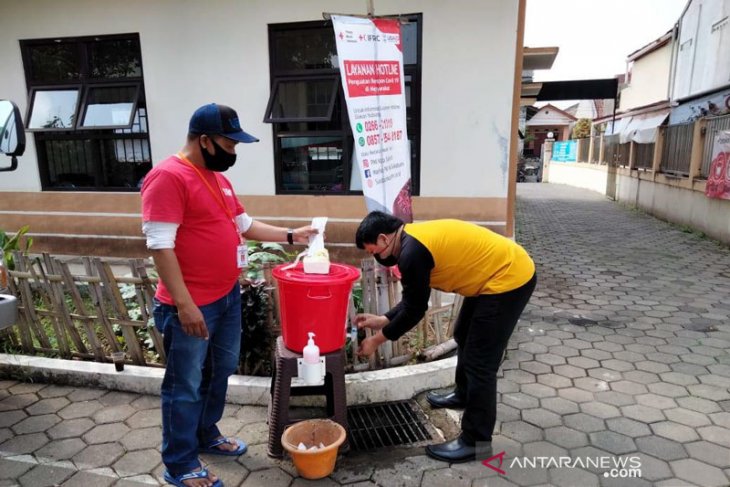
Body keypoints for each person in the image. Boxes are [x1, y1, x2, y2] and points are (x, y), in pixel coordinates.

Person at [141, 103, 317, 487]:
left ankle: (206, 434)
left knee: (218, 372)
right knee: (184, 384)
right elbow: (160, 245)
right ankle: (180, 463)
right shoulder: (167, 177)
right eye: (229, 143)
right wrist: (186, 305)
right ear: (204, 140)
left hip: (225, 298)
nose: (233, 152)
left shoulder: (216, 178)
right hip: (190, 306)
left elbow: (244, 224)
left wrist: (291, 235)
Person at [354, 211, 536, 463]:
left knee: (480, 362)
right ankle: (463, 394)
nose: (376, 257)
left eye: (374, 252)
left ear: (384, 239)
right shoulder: (410, 239)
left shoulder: (411, 253)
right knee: (463, 333)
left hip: (508, 278)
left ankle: (476, 442)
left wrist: (376, 339)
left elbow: (415, 310)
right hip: (490, 276)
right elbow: (411, 300)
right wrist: (383, 320)